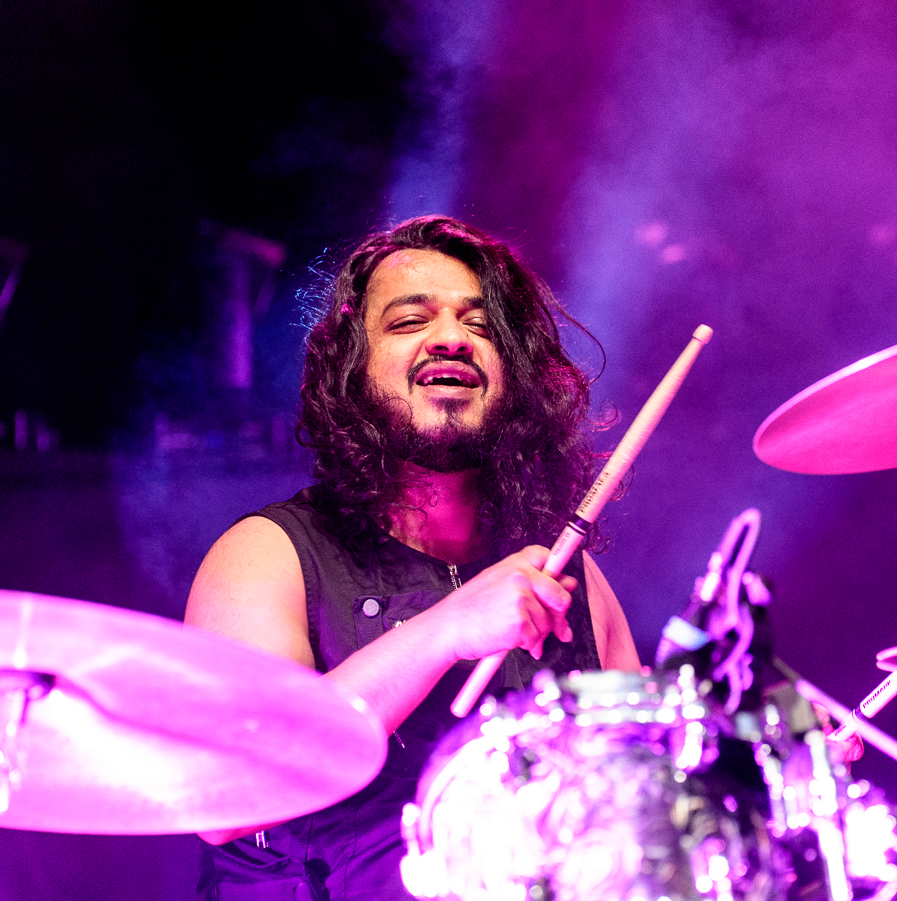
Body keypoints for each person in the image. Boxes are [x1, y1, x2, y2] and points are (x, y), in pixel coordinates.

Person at [184, 215, 640, 900]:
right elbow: (223, 800)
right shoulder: (267, 555)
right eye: (408, 321)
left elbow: (640, 798)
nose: (452, 337)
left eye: (481, 325)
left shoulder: (567, 575)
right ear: (351, 370)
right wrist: (448, 626)